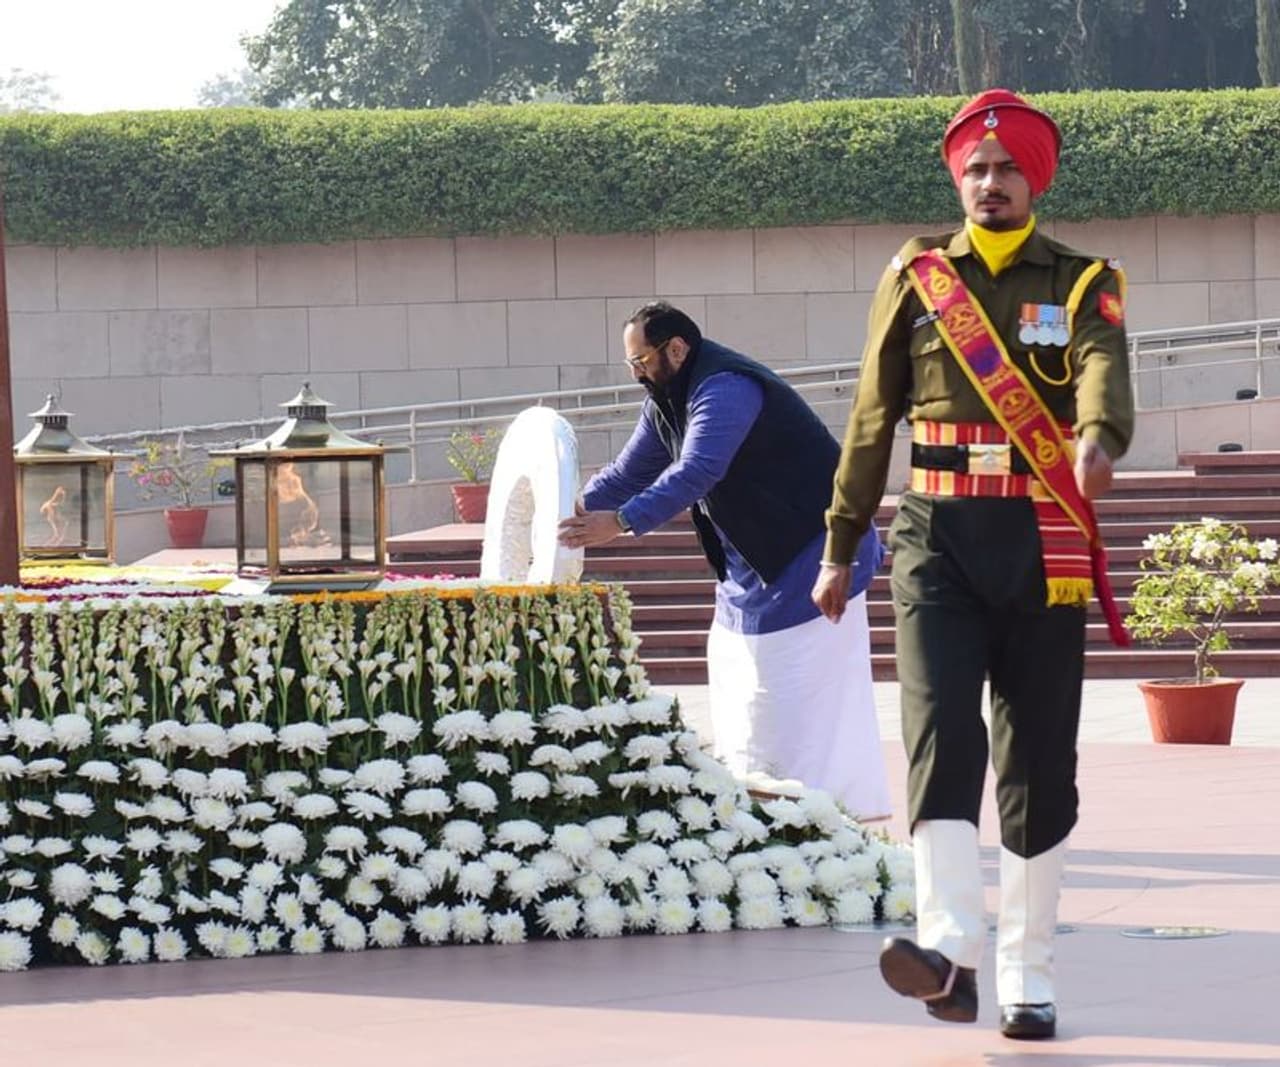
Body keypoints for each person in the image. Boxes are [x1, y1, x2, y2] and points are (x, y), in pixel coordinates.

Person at [811, 89, 1134, 1041]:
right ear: (959, 180)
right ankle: (948, 953)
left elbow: (1102, 363)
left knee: (1037, 762)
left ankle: (1029, 978)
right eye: (976, 170)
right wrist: (840, 543)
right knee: (939, 734)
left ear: (1035, 181)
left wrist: (1098, 435)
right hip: (934, 538)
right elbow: (872, 417)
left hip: (1042, 541)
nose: (990, 183)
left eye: (1007, 170)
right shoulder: (916, 277)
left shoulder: (1082, 280)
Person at [558, 301, 890, 820]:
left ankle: (825, 815)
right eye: (630, 364)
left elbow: (698, 471)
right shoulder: (665, 401)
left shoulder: (726, 386)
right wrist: (568, 512)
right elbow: (627, 474)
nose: (636, 373)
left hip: (810, 554)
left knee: (804, 702)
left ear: (676, 349)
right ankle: (760, 811)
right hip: (750, 569)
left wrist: (620, 522)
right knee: (745, 693)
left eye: (641, 361)